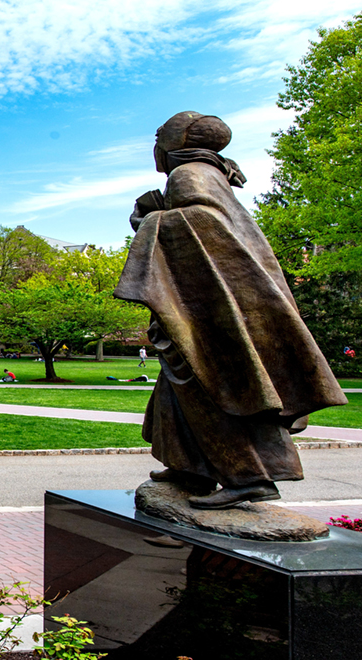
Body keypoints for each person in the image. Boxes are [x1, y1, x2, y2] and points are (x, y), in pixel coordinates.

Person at [115, 111, 347, 509]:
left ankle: (250, 475)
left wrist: (149, 218)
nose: (154, 145)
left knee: (213, 385)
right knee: (180, 386)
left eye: (158, 137)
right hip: (216, 302)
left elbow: (199, 226)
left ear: (175, 144)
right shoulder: (213, 175)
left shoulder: (188, 175)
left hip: (211, 308)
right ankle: (191, 466)